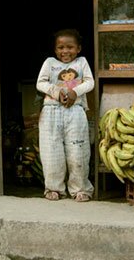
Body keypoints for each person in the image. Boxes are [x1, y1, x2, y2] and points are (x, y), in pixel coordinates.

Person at [36, 29, 95, 202]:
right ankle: (53, 188)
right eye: (60, 47)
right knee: (51, 151)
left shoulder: (82, 62)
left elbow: (90, 81)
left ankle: (80, 189)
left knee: (78, 150)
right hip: (50, 111)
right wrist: (56, 92)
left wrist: (75, 92)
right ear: (55, 50)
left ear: (78, 48)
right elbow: (41, 82)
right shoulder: (49, 63)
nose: (65, 51)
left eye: (70, 47)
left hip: (75, 111)